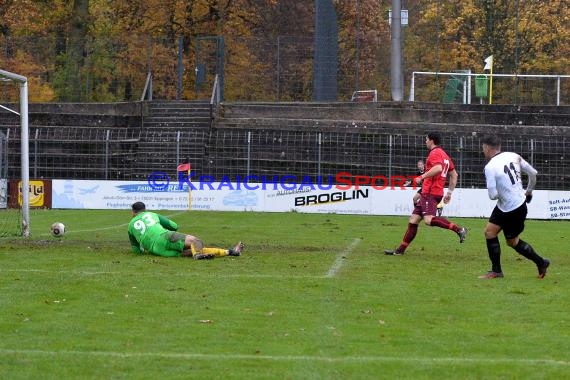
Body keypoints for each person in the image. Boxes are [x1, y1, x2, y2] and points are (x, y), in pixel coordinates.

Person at [479, 135, 549, 279]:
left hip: (512, 208)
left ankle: (541, 262)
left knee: (512, 241)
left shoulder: (490, 167)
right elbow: (533, 173)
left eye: (483, 149)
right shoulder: (513, 156)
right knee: (489, 232)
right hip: (514, 204)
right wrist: (529, 191)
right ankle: (496, 271)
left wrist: (503, 191)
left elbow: (492, 195)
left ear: (487, 148)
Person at [384, 133, 468, 255]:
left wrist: (421, 176)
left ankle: (459, 230)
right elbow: (454, 175)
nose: (425, 142)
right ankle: (400, 250)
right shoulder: (445, 155)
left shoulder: (435, 153)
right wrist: (449, 192)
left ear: (432, 141)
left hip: (431, 192)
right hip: (430, 192)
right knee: (413, 220)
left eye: (426, 139)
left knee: (428, 220)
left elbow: (438, 168)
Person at [128, 201, 243, 260]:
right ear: (145, 209)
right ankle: (198, 255)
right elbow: (174, 226)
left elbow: (136, 250)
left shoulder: (130, 226)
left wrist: (147, 249)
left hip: (156, 250)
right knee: (196, 241)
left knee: (191, 250)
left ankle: (231, 252)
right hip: (164, 236)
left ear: (133, 212)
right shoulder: (151, 214)